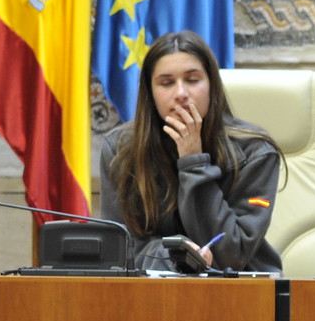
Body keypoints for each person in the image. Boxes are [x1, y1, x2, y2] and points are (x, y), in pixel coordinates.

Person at [95, 31, 282, 275]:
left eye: (192, 80)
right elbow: (118, 247)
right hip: (152, 291)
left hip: (240, 293)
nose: (181, 93)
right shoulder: (121, 150)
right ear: (150, 93)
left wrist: (194, 162)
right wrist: (177, 256)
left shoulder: (257, 152)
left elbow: (230, 254)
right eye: (166, 82)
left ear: (211, 86)